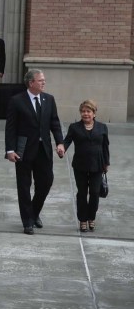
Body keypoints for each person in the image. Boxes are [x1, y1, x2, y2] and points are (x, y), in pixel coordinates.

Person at [5, 69, 64, 235]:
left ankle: (34, 212)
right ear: (31, 83)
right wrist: (10, 150)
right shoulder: (17, 101)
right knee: (24, 186)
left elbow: (55, 123)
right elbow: (11, 128)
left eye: (44, 80)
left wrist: (60, 142)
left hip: (43, 149)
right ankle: (27, 221)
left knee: (46, 182)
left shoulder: (49, 99)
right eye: (40, 80)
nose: (43, 83)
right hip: (23, 150)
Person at [63, 100, 110, 233]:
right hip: (80, 165)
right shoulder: (74, 127)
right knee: (82, 193)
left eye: (88, 111)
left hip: (97, 165)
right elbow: (67, 141)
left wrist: (106, 163)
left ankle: (91, 218)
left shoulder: (102, 127)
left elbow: (105, 146)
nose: (85, 114)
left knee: (95, 193)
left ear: (94, 113)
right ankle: (82, 220)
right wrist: (62, 149)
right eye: (83, 111)